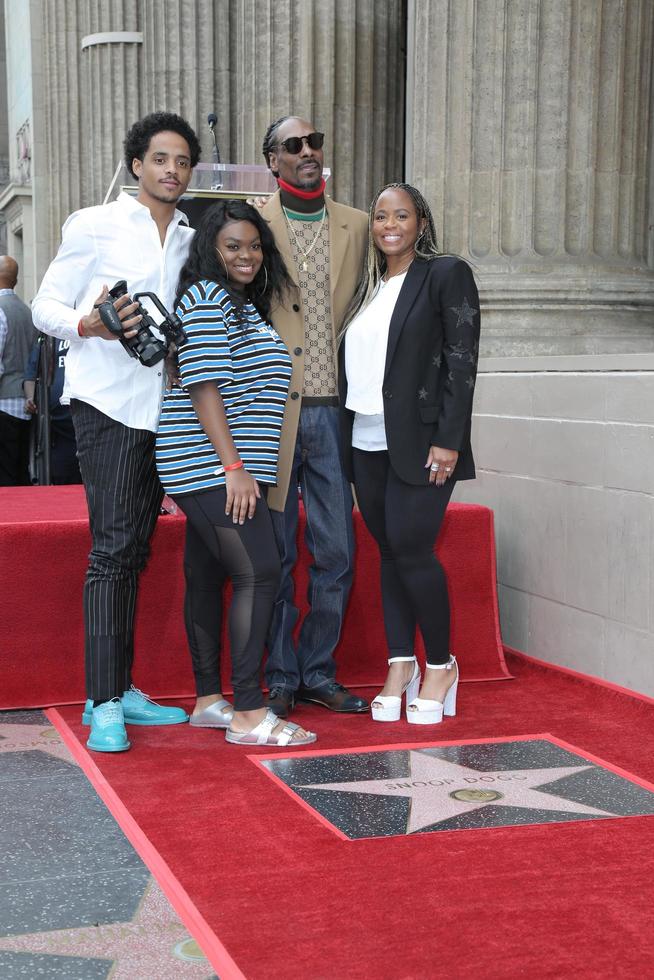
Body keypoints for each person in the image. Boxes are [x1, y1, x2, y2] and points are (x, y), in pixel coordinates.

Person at [32, 112, 201, 753]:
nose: (171, 171)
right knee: (110, 550)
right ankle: (101, 701)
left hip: (170, 410)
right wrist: (89, 324)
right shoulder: (94, 223)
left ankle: (122, 687)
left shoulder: (192, 237)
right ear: (137, 165)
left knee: (136, 550)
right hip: (105, 405)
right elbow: (47, 305)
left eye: (182, 162)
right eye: (160, 159)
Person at [156, 200, 316, 747]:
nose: (245, 255)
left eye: (254, 245)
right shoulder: (206, 297)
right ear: (211, 250)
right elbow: (204, 385)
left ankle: (208, 701)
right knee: (259, 572)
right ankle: (248, 712)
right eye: (233, 246)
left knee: (207, 574)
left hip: (221, 466)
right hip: (211, 464)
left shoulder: (239, 304)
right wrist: (234, 467)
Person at [338, 182, 480, 725]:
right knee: (391, 554)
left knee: (415, 551)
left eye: (401, 215)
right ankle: (401, 664)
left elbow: (461, 361)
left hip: (424, 444)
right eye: (379, 216)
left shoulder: (445, 273)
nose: (388, 224)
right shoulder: (367, 286)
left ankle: (442, 664)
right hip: (366, 439)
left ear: (421, 222)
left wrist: (449, 438)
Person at [260, 116, 370, 717]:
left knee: (337, 551)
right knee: (276, 555)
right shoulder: (251, 222)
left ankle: (318, 671)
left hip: (334, 413)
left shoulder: (357, 224)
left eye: (316, 142)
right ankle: (279, 674)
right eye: (294, 145)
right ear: (273, 159)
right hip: (273, 410)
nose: (309, 152)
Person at [24, 335, 82, 485]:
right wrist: (31, 399)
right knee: (62, 475)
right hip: (57, 424)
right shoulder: (48, 337)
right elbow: (31, 374)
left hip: (87, 418)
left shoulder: (90, 332)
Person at [0, 256, 37, 486]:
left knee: (5, 476)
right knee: (20, 470)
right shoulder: (28, 311)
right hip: (26, 402)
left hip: (3, 403)